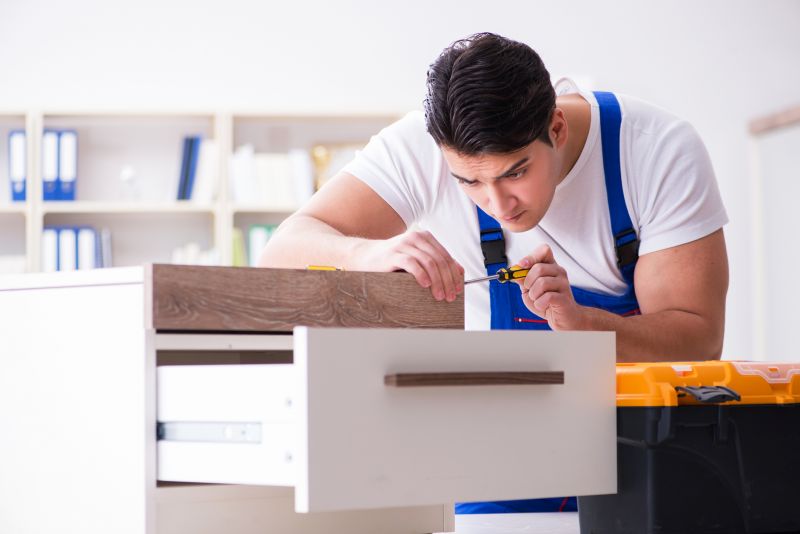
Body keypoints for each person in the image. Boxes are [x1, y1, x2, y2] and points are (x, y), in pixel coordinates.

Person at [258, 32, 729, 514]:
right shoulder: (419, 147)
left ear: (557, 128)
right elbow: (282, 250)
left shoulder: (655, 152)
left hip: (636, 456)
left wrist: (581, 323)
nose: (498, 204)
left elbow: (699, 339)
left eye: (515, 172)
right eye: (470, 182)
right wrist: (365, 254)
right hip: (491, 461)